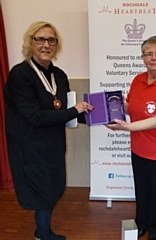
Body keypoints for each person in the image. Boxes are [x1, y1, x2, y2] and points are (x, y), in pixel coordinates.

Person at [4, 21, 93, 240]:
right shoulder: (20, 75)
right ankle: (43, 236)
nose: (46, 44)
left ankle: (43, 231)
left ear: (56, 45)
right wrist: (74, 110)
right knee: (42, 194)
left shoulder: (59, 75)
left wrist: (99, 117)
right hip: (30, 147)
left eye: (51, 40)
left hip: (53, 145)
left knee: (53, 189)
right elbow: (34, 116)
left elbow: (65, 110)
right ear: (30, 43)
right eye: (40, 39)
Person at [106, 36, 156, 240]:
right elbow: (132, 107)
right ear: (142, 58)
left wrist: (127, 127)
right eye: (149, 54)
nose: (154, 58)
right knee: (142, 191)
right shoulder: (138, 80)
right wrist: (111, 105)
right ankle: (141, 224)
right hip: (139, 149)